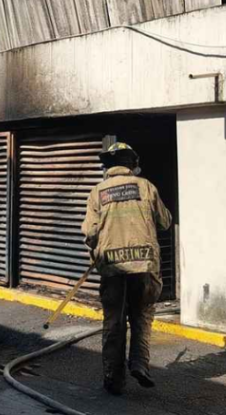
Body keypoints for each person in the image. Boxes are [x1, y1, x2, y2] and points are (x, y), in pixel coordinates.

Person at [81, 142, 173, 395]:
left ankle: (113, 379)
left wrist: (96, 250)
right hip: (144, 267)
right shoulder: (146, 187)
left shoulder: (97, 192)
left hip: (112, 269)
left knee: (114, 322)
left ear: (108, 167)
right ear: (133, 164)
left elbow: (89, 233)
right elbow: (165, 222)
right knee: (142, 316)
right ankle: (140, 364)